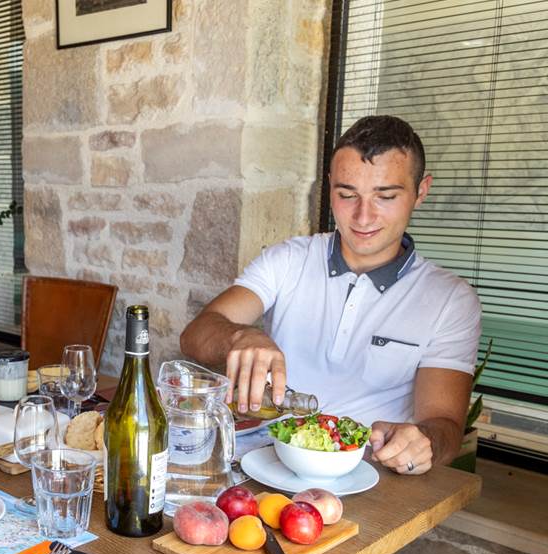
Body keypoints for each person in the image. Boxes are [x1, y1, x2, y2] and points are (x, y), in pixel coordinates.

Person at [181, 115, 481, 475]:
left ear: (421, 191)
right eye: (346, 195)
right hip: (265, 462)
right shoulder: (289, 259)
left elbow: (445, 423)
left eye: (385, 196)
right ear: (329, 188)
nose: (363, 216)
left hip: (372, 478)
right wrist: (238, 336)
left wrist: (422, 440)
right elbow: (194, 335)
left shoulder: (449, 299)